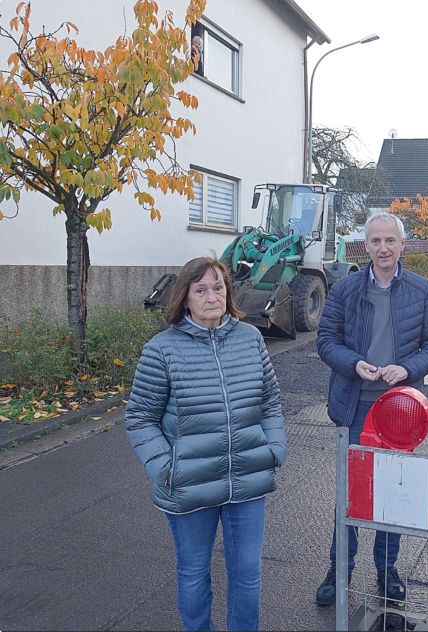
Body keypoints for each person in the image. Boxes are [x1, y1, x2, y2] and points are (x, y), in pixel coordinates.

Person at [125, 256, 287, 631]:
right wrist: (166, 468)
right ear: (185, 298)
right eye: (201, 290)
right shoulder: (161, 350)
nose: (211, 297)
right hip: (189, 484)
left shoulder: (249, 339)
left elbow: (270, 402)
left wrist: (273, 449)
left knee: (247, 574)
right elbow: (140, 419)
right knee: (194, 573)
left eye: (218, 288)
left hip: (247, 480)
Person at [314, 212, 428, 607]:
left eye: (391, 240)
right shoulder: (345, 289)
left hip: (400, 411)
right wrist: (353, 363)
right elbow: (325, 340)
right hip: (355, 406)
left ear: (402, 245)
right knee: (351, 493)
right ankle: (340, 569)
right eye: (376, 241)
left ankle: (386, 568)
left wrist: (407, 369)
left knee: (393, 492)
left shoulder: (421, 291)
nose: (383, 248)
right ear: (366, 246)